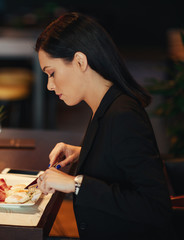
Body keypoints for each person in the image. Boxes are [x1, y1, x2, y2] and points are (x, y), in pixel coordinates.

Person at [35, 12, 175, 240]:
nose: (50, 85)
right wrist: (84, 153)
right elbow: (119, 157)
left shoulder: (122, 114)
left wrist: (76, 184)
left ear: (80, 61)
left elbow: (155, 207)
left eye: (51, 73)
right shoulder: (105, 104)